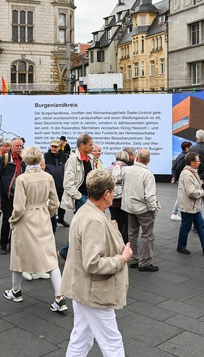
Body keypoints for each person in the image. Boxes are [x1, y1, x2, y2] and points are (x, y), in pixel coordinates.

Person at [62, 169, 132, 357]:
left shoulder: (88, 211)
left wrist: (110, 229)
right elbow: (92, 263)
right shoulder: (94, 219)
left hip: (82, 287)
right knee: (111, 341)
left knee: (82, 337)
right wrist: (122, 258)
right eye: (114, 190)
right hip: (94, 291)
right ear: (106, 193)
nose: (115, 193)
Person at [2, 146, 67, 311]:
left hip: (25, 220)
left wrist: (13, 220)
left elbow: (18, 207)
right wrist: (47, 214)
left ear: (25, 159)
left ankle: (16, 291)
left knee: (19, 256)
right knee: (50, 258)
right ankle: (59, 297)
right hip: (43, 218)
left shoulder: (22, 179)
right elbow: (55, 203)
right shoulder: (48, 177)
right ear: (40, 159)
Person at [122, 148, 160, 271]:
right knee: (147, 235)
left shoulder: (127, 170)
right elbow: (149, 195)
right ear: (148, 160)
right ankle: (145, 263)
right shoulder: (147, 174)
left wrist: (117, 165)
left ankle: (133, 259)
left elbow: (115, 175)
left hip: (130, 207)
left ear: (137, 158)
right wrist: (153, 208)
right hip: (144, 209)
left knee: (132, 234)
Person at [58, 134, 95, 259]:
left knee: (84, 226)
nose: (92, 147)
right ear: (82, 145)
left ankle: (70, 251)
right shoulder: (73, 160)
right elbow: (67, 184)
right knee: (85, 225)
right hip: (81, 198)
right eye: (90, 144)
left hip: (90, 197)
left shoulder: (90, 158)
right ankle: (66, 251)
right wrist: (80, 197)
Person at [176, 152, 204, 255]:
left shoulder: (192, 172)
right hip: (189, 205)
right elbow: (191, 192)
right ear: (192, 162)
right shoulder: (187, 173)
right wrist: (202, 192)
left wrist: (199, 184)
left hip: (194, 205)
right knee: (186, 226)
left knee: (200, 226)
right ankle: (181, 246)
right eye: (198, 160)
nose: (199, 162)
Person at [0, 137, 26, 254]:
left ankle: (13, 243)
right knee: (7, 220)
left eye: (21, 146)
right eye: (17, 146)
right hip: (7, 195)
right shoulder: (4, 159)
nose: (19, 148)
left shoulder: (24, 159)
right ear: (11, 147)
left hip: (21, 195)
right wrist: (3, 191)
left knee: (19, 220)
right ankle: (3, 244)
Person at [44, 139, 70, 229]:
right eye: (52, 146)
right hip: (50, 186)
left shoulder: (65, 156)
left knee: (63, 204)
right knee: (51, 204)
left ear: (59, 147)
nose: (53, 148)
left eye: (55, 147)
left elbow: (68, 171)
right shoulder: (45, 156)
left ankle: (61, 218)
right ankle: (52, 220)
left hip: (62, 185)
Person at [107, 150, 130, 244]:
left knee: (114, 220)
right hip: (124, 200)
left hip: (112, 200)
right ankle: (124, 241)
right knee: (126, 221)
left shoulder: (108, 168)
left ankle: (114, 240)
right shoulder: (128, 169)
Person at [170, 141, 192, 220]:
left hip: (179, 178)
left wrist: (174, 177)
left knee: (181, 195)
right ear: (187, 148)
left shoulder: (180, 155)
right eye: (190, 147)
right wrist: (175, 177)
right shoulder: (184, 157)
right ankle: (174, 213)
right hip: (182, 179)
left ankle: (176, 212)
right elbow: (178, 168)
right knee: (181, 195)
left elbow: (174, 167)